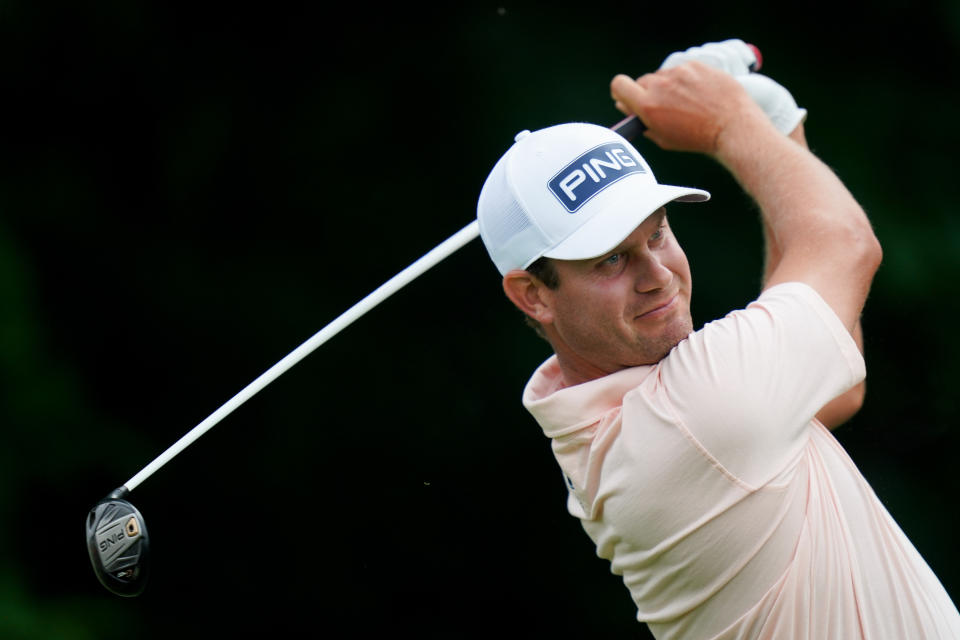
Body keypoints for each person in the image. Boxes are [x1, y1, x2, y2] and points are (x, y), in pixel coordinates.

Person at [476, 40, 960, 639]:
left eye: (657, 236)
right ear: (533, 295)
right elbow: (844, 243)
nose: (657, 275)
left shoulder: (625, 419)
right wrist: (732, 121)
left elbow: (836, 393)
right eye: (610, 260)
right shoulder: (689, 419)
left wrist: (774, 128)